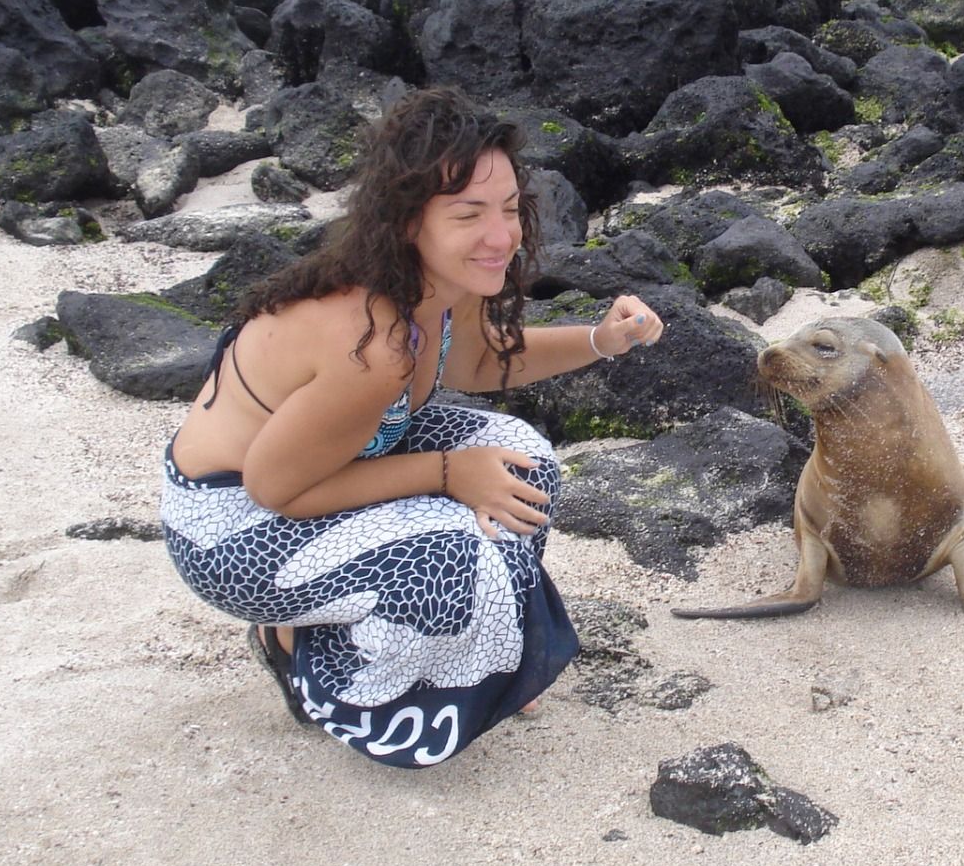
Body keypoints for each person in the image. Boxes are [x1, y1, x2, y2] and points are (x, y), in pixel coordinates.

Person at [158, 86, 663, 768]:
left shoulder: (436, 285)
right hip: (231, 530)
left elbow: (480, 359)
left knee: (521, 461)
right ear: (406, 221)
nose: (501, 236)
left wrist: (603, 339)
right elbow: (274, 488)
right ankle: (305, 655)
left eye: (509, 208)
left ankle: (480, 650)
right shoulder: (371, 342)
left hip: (312, 477)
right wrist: (448, 474)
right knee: (452, 557)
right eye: (468, 214)